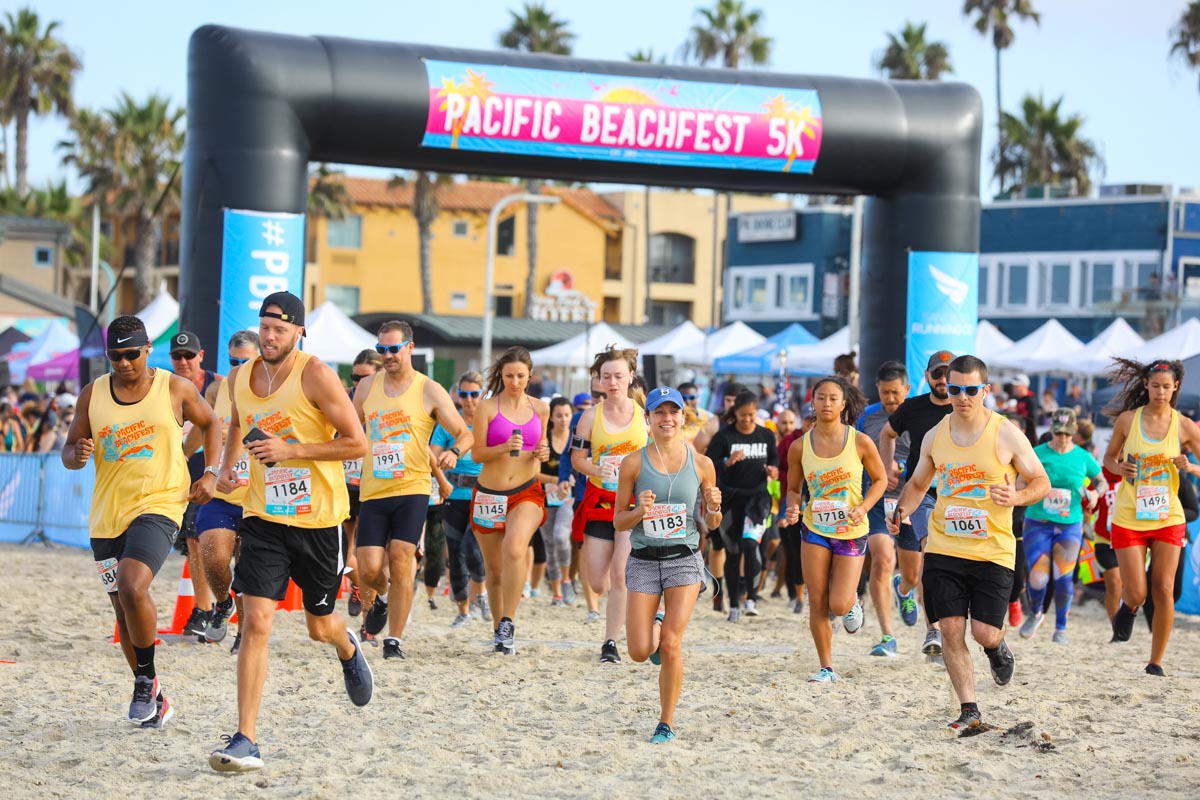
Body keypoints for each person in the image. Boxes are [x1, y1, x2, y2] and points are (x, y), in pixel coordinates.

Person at [208, 292, 372, 772]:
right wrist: (226, 469)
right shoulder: (241, 376)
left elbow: (357, 443)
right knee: (256, 621)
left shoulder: (315, 373)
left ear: (299, 330)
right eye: (264, 328)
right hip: (264, 518)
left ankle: (347, 646)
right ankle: (246, 738)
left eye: (279, 329)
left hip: (318, 521)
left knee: (319, 627)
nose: (269, 337)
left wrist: (292, 450)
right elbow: (237, 424)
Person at [63, 315, 221, 729]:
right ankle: (154, 695)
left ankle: (145, 680)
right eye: (115, 356)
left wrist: (210, 472)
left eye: (131, 354)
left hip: (161, 503)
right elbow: (68, 450)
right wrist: (76, 453)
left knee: (134, 585)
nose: (124, 363)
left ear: (147, 348)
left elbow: (211, 423)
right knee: (123, 609)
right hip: (107, 515)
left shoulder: (174, 388)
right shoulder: (92, 394)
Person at [889, 355, 1049, 729]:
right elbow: (917, 484)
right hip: (945, 547)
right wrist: (900, 513)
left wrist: (1017, 498)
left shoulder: (1006, 432)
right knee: (949, 628)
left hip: (993, 550)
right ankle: (969, 709)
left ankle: (996, 647)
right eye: (955, 389)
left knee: (983, 632)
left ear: (986, 391)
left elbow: (1040, 482)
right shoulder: (936, 434)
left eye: (970, 390)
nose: (961, 397)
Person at [354, 321, 471, 661]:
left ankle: (395, 640)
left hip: (413, 486)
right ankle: (388, 596)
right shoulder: (366, 388)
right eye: (382, 350)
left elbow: (464, 433)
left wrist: (454, 452)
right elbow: (346, 427)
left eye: (393, 349)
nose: (388, 356)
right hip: (374, 489)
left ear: (409, 348)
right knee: (368, 568)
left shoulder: (428, 389)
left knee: (402, 558)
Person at [616, 387, 722, 743]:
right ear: (648, 419)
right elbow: (618, 521)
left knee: (673, 644)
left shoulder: (702, 463)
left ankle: (666, 722)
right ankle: (656, 623)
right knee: (638, 651)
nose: (667, 419)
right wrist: (638, 512)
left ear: (682, 417)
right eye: (659, 413)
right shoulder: (633, 462)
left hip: (684, 559)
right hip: (644, 560)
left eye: (673, 412)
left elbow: (712, 521)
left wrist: (713, 507)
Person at [1101, 358, 1200, 676]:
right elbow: (1109, 459)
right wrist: (1120, 468)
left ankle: (1155, 661)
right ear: (1146, 385)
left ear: (1176, 388)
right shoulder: (1128, 420)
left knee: (1164, 589)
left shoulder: (1184, 425)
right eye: (1155, 386)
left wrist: (1190, 467)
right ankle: (1129, 607)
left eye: (1167, 388)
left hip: (1168, 516)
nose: (1160, 392)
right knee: (1138, 593)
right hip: (1129, 517)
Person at [786, 376, 886, 681]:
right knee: (816, 599)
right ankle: (827, 667)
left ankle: (852, 603)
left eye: (833, 398)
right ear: (812, 403)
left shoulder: (859, 441)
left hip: (851, 531)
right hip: (814, 528)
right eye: (821, 398)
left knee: (839, 604)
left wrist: (864, 507)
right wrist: (792, 506)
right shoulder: (800, 446)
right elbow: (793, 488)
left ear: (843, 404)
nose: (826, 404)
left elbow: (880, 480)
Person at [184, 330, 261, 652]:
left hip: (257, 497)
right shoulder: (217, 388)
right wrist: (183, 456)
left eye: (247, 361)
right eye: (233, 361)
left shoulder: (271, 392)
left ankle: (243, 633)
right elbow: (204, 430)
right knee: (213, 557)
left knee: (246, 567)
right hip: (222, 492)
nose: (239, 367)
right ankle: (221, 603)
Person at [470, 347, 550, 655]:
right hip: (489, 493)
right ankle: (498, 632)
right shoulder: (487, 408)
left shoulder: (541, 409)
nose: (514, 381)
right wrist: (502, 447)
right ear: (500, 376)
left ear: (529, 375)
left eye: (520, 376)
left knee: (515, 547)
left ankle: (508, 619)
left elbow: (541, 450)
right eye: (508, 376)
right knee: (495, 571)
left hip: (526, 491)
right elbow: (477, 453)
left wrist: (542, 453)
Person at [571, 346, 647, 662]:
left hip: (630, 504)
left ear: (630, 376)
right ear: (598, 381)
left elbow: (656, 455)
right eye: (606, 377)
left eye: (618, 376)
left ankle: (610, 643)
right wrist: (596, 468)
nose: (612, 383)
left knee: (620, 575)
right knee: (597, 582)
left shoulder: (644, 415)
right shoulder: (590, 416)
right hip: (600, 501)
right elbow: (577, 459)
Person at [879, 350, 954, 658]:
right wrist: (886, 470)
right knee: (927, 558)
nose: (943, 380)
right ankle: (932, 628)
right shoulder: (913, 408)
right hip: (918, 494)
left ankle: (905, 591)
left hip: (955, 495)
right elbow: (886, 434)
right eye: (937, 374)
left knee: (922, 568)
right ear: (927, 377)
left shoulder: (966, 409)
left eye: (949, 374)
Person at [1019, 408, 1105, 645]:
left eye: (1067, 434)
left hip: (1069, 524)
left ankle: (1061, 628)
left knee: (1063, 575)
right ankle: (1036, 614)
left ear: (1075, 432)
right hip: (1038, 521)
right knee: (1037, 577)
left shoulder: (1083, 457)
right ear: (1052, 431)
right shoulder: (1037, 454)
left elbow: (1101, 481)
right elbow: (1020, 480)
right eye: (1058, 433)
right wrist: (1022, 492)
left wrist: (1095, 494)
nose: (1062, 438)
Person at [856, 361, 916, 656]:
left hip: (913, 499)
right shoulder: (866, 418)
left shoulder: (919, 415)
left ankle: (904, 589)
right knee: (881, 559)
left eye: (895, 392)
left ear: (908, 389)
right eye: (884, 393)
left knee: (915, 573)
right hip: (878, 499)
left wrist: (900, 467)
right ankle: (887, 636)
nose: (890, 399)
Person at [708, 390, 779, 621]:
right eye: (742, 415)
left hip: (757, 500)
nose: (747, 419)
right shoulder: (724, 437)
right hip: (730, 499)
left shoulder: (766, 435)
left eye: (751, 415)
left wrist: (773, 470)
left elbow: (775, 461)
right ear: (734, 413)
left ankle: (751, 598)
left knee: (750, 545)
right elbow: (709, 465)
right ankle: (734, 605)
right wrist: (727, 462)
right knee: (733, 552)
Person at [170, 330, 222, 639]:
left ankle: (225, 605)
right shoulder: (166, 386)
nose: (183, 361)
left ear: (200, 356)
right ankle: (203, 609)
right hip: (183, 465)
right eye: (177, 356)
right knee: (192, 538)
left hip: (215, 464)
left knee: (223, 542)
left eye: (189, 355)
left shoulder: (218, 384)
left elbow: (216, 424)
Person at [431, 371, 491, 628]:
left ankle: (483, 594)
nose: (469, 400)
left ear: (483, 395)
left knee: (473, 548)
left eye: (474, 394)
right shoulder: (448, 425)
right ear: (457, 396)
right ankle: (464, 611)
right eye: (464, 394)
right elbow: (431, 456)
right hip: (454, 494)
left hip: (484, 494)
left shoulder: (489, 423)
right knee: (454, 553)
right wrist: (446, 459)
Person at [343, 348, 382, 623]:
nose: (358, 383)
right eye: (354, 377)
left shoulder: (385, 401)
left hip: (375, 484)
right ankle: (357, 588)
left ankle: (370, 612)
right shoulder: (343, 398)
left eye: (364, 377)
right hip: (345, 482)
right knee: (347, 557)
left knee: (368, 556)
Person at [538, 397, 575, 605]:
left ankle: (567, 578)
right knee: (549, 543)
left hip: (567, 500)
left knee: (561, 536)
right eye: (559, 415)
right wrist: (556, 480)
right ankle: (556, 592)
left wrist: (569, 483)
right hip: (545, 498)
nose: (563, 420)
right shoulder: (544, 439)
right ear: (551, 417)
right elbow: (534, 474)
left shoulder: (575, 439)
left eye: (567, 415)